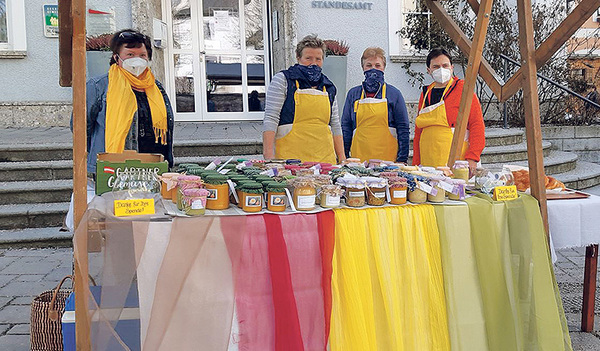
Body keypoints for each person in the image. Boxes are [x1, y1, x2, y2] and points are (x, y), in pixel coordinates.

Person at [81, 29, 175, 174]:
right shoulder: (98, 86)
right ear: (117, 57)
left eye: (142, 55)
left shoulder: (155, 87)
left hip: (153, 167)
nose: (137, 60)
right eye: (130, 54)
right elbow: (81, 127)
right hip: (114, 168)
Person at [262, 35, 346, 163]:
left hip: (325, 162)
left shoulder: (329, 87)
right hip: (290, 161)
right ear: (298, 58)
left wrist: (342, 159)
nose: (313, 63)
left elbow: (335, 124)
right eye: (308, 58)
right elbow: (271, 118)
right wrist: (268, 156)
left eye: (318, 59)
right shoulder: (283, 80)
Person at [413, 48, 485, 175]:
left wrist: (473, 157)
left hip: (456, 161)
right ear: (429, 70)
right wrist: (416, 163)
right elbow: (418, 131)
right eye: (436, 66)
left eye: (444, 65)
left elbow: (476, 124)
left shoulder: (464, 89)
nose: (441, 69)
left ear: (451, 67)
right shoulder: (425, 94)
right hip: (428, 161)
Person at [341, 47, 410, 162]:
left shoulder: (394, 94)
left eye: (377, 66)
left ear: (384, 68)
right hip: (358, 160)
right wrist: (344, 156)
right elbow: (346, 127)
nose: (373, 69)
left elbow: (403, 127)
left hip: (388, 160)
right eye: (369, 65)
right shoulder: (353, 94)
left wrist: (402, 159)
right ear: (363, 68)